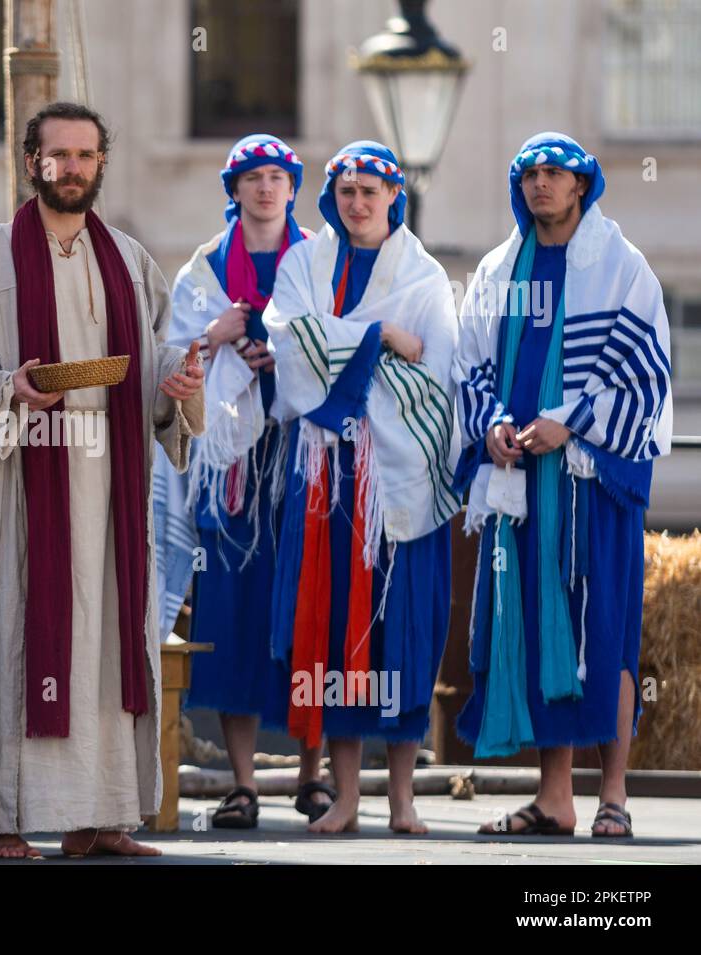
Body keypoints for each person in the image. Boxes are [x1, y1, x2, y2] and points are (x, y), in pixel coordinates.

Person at [0, 102, 205, 858]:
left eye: (84, 155)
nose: (71, 168)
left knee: (102, 648)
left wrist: (178, 379)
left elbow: (155, 360)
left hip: (106, 494)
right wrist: (7, 385)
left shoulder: (132, 261)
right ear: (32, 161)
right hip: (13, 489)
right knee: (8, 641)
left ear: (101, 163)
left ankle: (98, 816)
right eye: (56, 155)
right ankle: (2, 818)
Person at [454, 133, 673, 839]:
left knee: (602, 630)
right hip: (518, 480)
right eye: (529, 174)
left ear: (583, 185)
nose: (540, 184)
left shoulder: (621, 267)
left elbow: (646, 372)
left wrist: (569, 423)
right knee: (537, 626)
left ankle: (613, 792)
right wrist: (490, 421)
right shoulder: (497, 269)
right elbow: (470, 363)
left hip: (590, 481)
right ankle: (554, 797)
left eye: (555, 174)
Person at [264, 141, 459, 834]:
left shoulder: (427, 276)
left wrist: (357, 350)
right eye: (346, 190)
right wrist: (377, 336)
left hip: (398, 480)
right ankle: (346, 798)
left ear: (393, 195)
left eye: (370, 191)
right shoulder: (302, 264)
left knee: (400, 635)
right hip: (328, 482)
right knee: (335, 633)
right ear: (332, 197)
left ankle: (402, 797)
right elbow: (290, 341)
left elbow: (437, 382)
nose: (357, 202)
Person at [155, 133, 333, 828]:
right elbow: (171, 355)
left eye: (277, 177)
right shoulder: (203, 270)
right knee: (230, 612)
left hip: (302, 454)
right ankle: (243, 780)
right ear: (234, 189)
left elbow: (336, 339)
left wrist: (282, 358)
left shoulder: (319, 258)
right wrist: (219, 336)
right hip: (228, 469)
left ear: (292, 189)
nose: (265, 188)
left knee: (308, 603)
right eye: (252, 177)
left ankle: (314, 775)